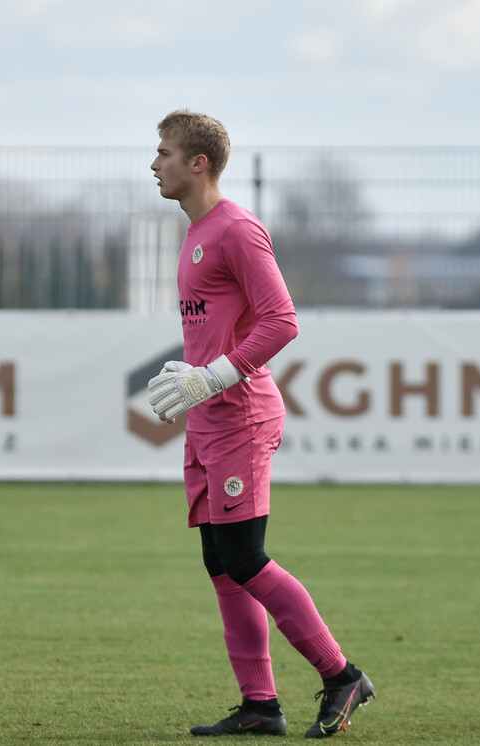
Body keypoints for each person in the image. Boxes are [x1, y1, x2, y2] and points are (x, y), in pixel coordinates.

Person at [147, 109, 375, 739]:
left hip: (241, 415)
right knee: (221, 563)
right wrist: (196, 371)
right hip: (207, 420)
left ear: (199, 164)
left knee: (246, 557)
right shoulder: (194, 235)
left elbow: (282, 320)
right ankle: (260, 705)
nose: (153, 163)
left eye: (164, 152)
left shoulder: (237, 230)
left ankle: (341, 675)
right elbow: (224, 325)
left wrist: (219, 373)